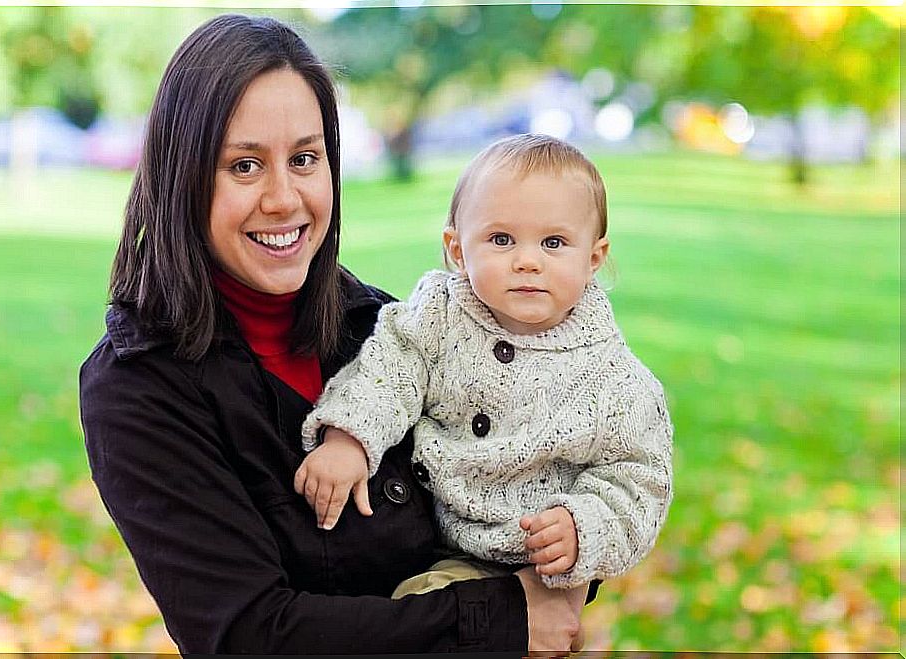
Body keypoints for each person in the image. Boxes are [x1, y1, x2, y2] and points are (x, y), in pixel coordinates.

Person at [79, 14, 587, 654]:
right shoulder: (138, 388)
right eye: (244, 165)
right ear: (183, 176)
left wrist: (573, 538)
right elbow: (249, 636)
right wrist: (506, 616)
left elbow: (527, 485)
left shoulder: (388, 329)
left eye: (304, 158)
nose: (284, 198)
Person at [296, 134, 674, 602]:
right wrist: (350, 438)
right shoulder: (441, 314)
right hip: (426, 528)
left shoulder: (615, 382)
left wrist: (584, 527)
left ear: (593, 258)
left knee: (423, 607)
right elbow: (390, 368)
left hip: (528, 562)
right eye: (501, 239)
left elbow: (639, 481)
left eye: (554, 243)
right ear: (457, 249)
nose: (527, 261)